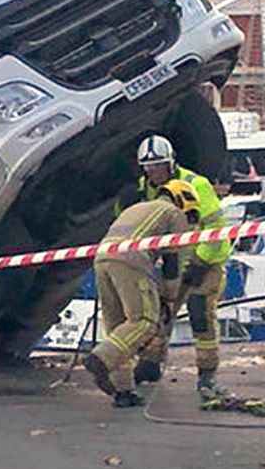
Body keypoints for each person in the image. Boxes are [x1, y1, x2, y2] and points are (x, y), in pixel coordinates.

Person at [123, 135, 233, 401]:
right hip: (172, 261)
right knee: (159, 313)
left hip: (205, 261)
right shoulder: (143, 189)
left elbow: (217, 232)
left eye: (159, 167)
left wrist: (200, 262)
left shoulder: (197, 185)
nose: (155, 174)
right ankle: (150, 365)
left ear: (171, 164)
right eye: (149, 169)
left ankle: (207, 376)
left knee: (200, 315)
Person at [82, 180, 201, 408]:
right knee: (144, 320)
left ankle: (123, 391)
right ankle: (101, 359)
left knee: (118, 328)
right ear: (184, 200)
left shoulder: (137, 208)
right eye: (192, 214)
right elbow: (172, 260)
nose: (191, 220)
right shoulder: (173, 212)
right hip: (132, 259)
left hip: (102, 259)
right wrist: (169, 296)